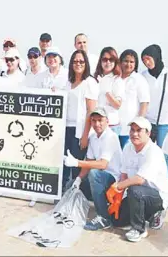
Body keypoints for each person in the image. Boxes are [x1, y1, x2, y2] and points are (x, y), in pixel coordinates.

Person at [111, 116, 168, 242]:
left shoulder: (154, 152)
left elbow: (139, 180)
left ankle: (139, 229)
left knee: (135, 189)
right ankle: (144, 216)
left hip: (157, 196)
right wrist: (118, 199)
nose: (134, 133)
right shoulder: (128, 147)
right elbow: (124, 174)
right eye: (132, 130)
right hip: (136, 195)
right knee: (116, 220)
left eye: (139, 130)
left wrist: (117, 187)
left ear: (148, 133)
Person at [63, 107, 122, 231]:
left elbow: (102, 165)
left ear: (107, 121)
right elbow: (89, 162)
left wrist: (76, 163)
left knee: (94, 174)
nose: (97, 124)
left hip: (113, 180)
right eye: (93, 121)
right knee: (70, 184)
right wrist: (78, 179)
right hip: (98, 179)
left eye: (100, 120)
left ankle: (104, 218)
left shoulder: (111, 137)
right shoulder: (94, 138)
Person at [63, 49, 99, 187]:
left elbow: (91, 111)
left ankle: (75, 194)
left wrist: (84, 135)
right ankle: (64, 192)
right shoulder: (68, 82)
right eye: (75, 61)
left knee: (75, 165)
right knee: (65, 162)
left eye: (81, 61)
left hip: (80, 131)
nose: (78, 64)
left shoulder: (90, 82)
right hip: (66, 128)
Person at [118, 49, 150, 148]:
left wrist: (138, 125)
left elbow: (144, 103)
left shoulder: (139, 79)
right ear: (120, 62)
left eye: (132, 62)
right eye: (126, 61)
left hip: (129, 129)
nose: (128, 64)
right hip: (114, 127)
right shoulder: (115, 78)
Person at [94, 47, 125, 135]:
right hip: (95, 125)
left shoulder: (117, 80)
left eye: (111, 60)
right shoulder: (95, 78)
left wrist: (106, 91)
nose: (108, 62)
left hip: (111, 125)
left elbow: (117, 105)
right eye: (105, 59)